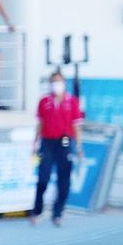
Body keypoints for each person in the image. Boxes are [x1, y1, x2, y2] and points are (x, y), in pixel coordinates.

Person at [31, 70, 83, 226]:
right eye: (54, 82)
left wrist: (79, 147)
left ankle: (58, 213)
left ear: (64, 83)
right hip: (47, 142)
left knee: (64, 178)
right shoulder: (44, 101)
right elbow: (40, 124)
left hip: (64, 141)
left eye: (59, 81)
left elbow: (76, 126)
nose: (56, 85)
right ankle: (37, 210)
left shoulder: (72, 101)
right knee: (43, 177)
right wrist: (35, 143)